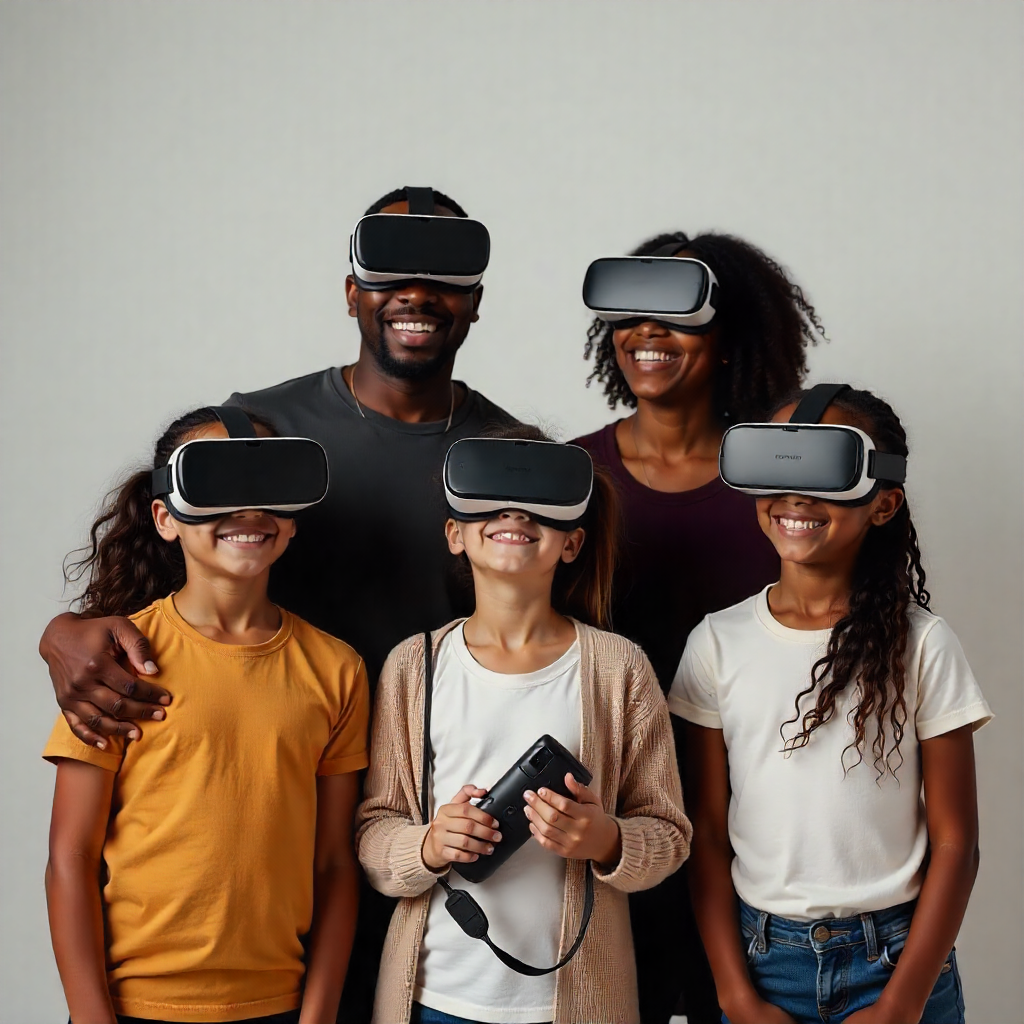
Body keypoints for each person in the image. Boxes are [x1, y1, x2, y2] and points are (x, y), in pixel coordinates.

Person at [38, 187, 515, 1022]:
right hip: (273, 856)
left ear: (475, 298)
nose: (416, 292)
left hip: (440, 845)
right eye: (389, 266)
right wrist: (63, 631)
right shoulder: (263, 437)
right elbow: (168, 588)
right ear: (350, 290)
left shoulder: (508, 464)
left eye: (443, 271)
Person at [672, 388, 990, 1024]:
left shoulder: (923, 644)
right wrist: (735, 995)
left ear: (884, 503)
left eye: (825, 471)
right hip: (761, 960)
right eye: (780, 466)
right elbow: (704, 832)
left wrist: (902, 1003)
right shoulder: (716, 643)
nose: (795, 496)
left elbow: (957, 842)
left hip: (898, 962)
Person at [44, 407, 369, 1024]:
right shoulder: (117, 662)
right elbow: (70, 858)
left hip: (279, 1005)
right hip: (134, 1005)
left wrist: (319, 1014)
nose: (248, 510)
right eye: (218, 484)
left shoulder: (336, 670)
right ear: (166, 517)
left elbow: (332, 863)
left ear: (293, 521)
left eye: (268, 486)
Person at [356, 428, 691, 1024]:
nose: (515, 512)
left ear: (571, 542)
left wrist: (606, 840)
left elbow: (670, 836)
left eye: (539, 502)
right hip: (434, 997)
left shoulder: (619, 669)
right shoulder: (414, 666)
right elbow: (374, 834)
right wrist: (429, 844)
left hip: (575, 1002)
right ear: (454, 534)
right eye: (491, 499)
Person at [573, 230, 823, 1024]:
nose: (647, 333)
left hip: (759, 839)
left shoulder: (785, 485)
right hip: (608, 829)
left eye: (677, 314)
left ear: (730, 335)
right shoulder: (570, 476)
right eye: (629, 314)